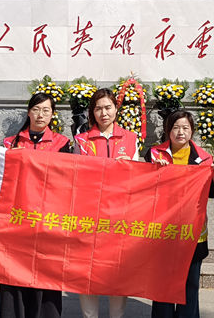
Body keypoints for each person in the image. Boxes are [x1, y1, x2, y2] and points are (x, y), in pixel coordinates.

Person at [0, 92, 70, 318]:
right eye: (36, 109)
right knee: (14, 271)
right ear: (28, 112)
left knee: (47, 272)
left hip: (48, 221)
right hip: (16, 219)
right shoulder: (11, 143)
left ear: (52, 114)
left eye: (46, 110)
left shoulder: (62, 144)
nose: (40, 115)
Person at [144, 110, 214, 318]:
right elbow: (142, 190)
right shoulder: (153, 155)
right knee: (162, 284)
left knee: (190, 284)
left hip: (192, 232)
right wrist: (152, 173)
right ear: (168, 131)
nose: (180, 132)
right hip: (162, 230)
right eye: (176, 128)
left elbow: (210, 194)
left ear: (192, 131)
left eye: (185, 128)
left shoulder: (204, 159)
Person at [73, 88, 138, 318]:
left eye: (108, 107)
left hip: (121, 215)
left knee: (117, 270)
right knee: (87, 270)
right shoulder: (81, 140)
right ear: (92, 112)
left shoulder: (130, 139)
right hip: (89, 214)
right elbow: (76, 176)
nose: (103, 113)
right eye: (98, 108)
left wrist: (129, 165)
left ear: (116, 109)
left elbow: (140, 178)